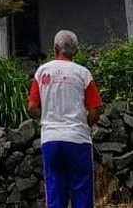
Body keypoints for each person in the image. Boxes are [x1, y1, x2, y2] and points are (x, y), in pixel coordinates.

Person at [28, 29, 102, 208]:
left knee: (55, 193)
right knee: (82, 193)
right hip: (78, 139)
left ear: (55, 49)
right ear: (76, 51)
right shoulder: (83, 74)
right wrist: (87, 123)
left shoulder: (42, 71)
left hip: (51, 140)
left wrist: (46, 117)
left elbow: (32, 106)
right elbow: (95, 109)